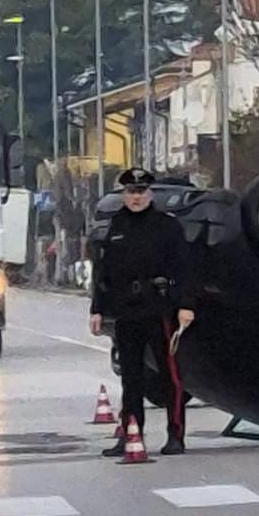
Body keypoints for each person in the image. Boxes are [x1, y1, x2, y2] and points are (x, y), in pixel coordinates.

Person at [89, 168, 195, 456]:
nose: (135, 197)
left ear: (150, 194)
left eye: (140, 192)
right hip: (127, 310)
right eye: (130, 192)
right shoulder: (117, 226)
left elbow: (183, 268)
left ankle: (176, 436)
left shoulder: (166, 226)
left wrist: (186, 306)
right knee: (131, 378)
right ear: (124, 195)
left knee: (169, 376)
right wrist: (97, 309)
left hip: (159, 308)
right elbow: (104, 272)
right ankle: (130, 433)